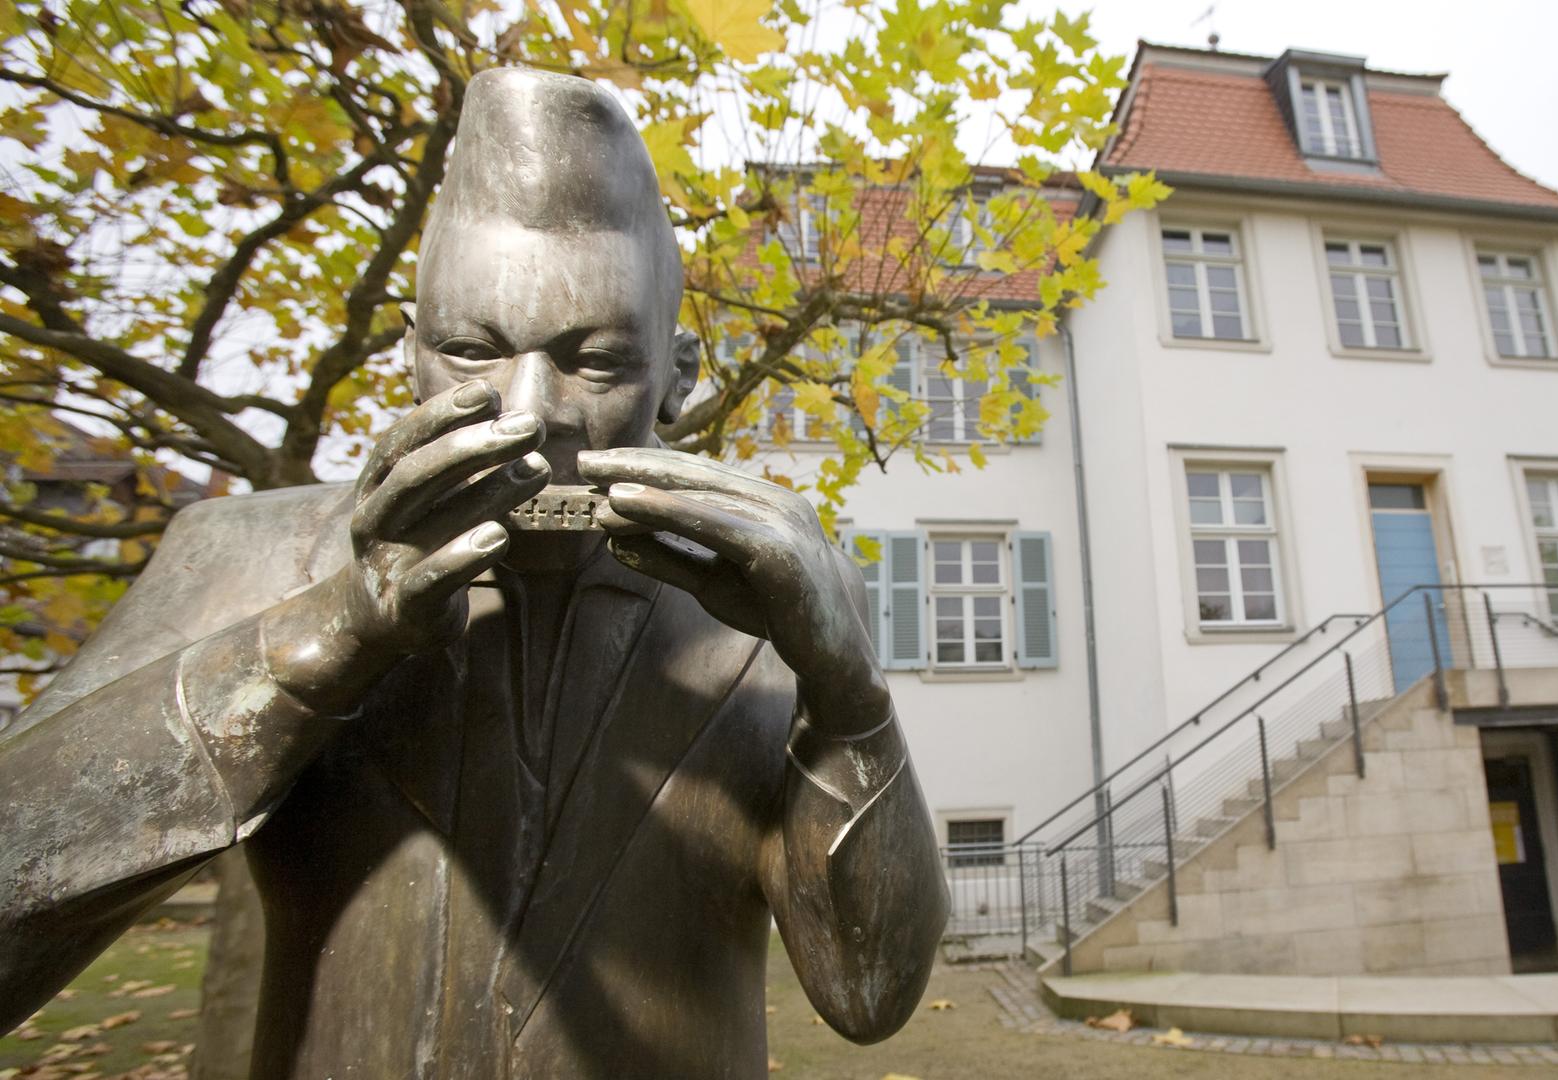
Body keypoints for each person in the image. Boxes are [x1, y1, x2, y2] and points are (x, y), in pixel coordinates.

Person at [0, 67, 946, 1078]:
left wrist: (850, 703)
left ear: (677, 378)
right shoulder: (246, 556)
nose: (526, 412)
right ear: (409, 355)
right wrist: (326, 639)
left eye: (595, 362)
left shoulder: (765, 606)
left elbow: (867, 996)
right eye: (470, 351)